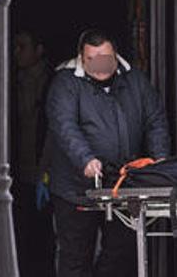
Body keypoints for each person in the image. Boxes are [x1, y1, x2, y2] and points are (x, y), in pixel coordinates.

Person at [46, 29, 170, 277]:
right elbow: (65, 126)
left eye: (106, 59)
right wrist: (86, 160)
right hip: (76, 188)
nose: (101, 66)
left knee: (121, 252)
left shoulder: (135, 80)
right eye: (93, 60)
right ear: (82, 58)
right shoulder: (65, 82)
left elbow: (155, 121)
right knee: (75, 256)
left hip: (123, 185)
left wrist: (160, 162)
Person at [10, 31, 55, 277]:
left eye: (22, 46)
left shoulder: (52, 81)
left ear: (38, 50)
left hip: (42, 163)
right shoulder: (13, 80)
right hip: (19, 164)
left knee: (44, 227)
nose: (17, 52)